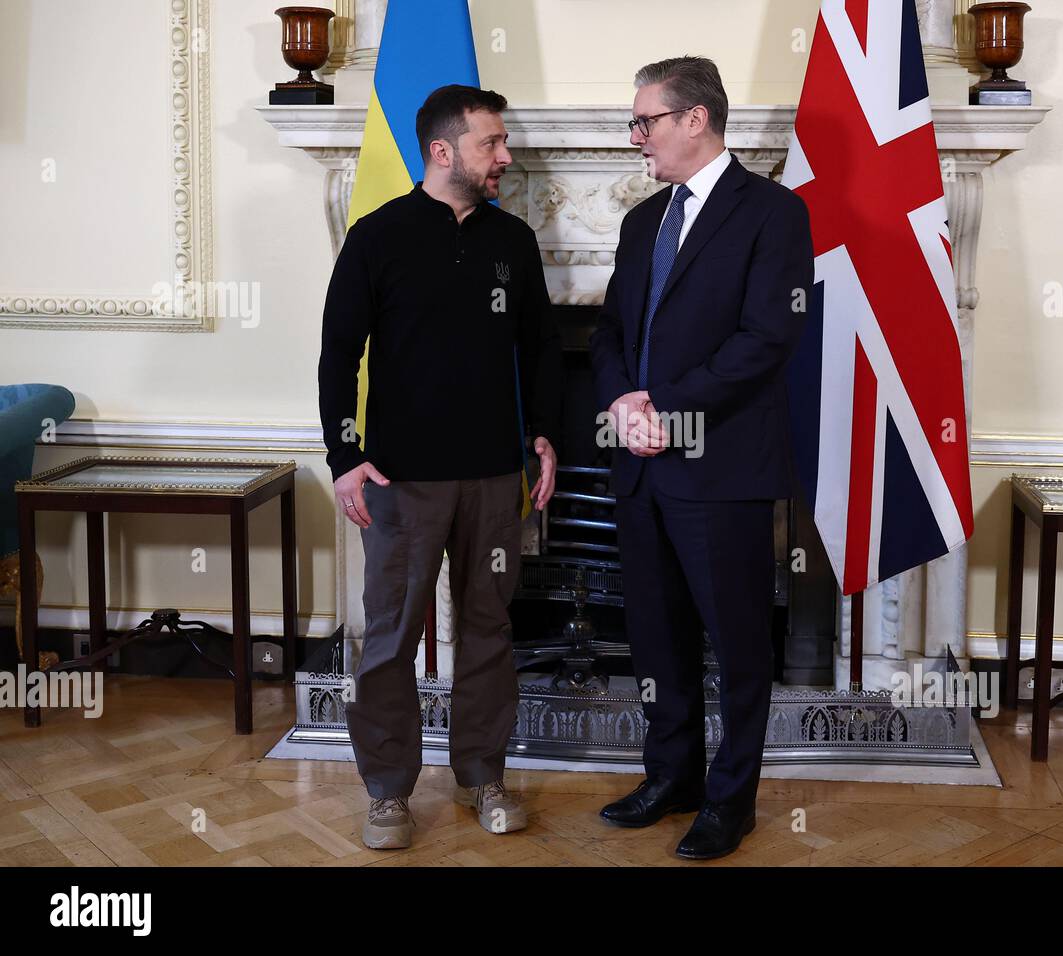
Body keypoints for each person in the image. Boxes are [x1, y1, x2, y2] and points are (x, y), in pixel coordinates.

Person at [318, 84, 562, 849]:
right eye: (492, 143)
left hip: (495, 479)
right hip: (399, 482)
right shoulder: (375, 237)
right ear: (442, 150)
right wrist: (346, 456)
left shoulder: (512, 242)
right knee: (390, 638)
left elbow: (542, 348)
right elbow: (338, 355)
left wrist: (545, 435)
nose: (505, 156)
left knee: (488, 631)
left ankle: (483, 775)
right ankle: (388, 793)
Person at [589, 56, 815, 860]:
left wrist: (665, 407)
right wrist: (622, 402)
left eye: (644, 121)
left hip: (720, 470)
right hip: (641, 461)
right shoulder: (641, 221)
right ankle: (671, 776)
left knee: (737, 642)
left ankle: (731, 800)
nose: (636, 137)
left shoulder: (773, 214)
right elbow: (611, 331)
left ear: (695, 119)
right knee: (657, 637)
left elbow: (767, 340)